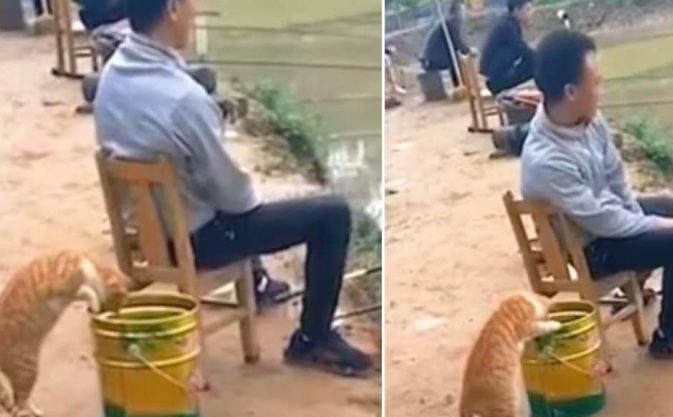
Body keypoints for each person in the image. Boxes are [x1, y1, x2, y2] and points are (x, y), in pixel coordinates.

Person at [93, 0, 373, 377]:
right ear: (173, 8)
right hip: (195, 242)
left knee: (215, 192)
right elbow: (236, 200)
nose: (196, 12)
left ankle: (259, 284)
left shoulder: (111, 75)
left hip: (146, 237)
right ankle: (312, 340)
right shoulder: (184, 100)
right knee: (331, 214)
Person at [521, 29, 673, 362]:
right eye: (596, 83)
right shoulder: (547, 160)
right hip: (589, 248)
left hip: (598, 221)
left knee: (670, 208)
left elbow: (616, 178)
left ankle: (640, 285)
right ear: (571, 92)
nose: (601, 90)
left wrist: (646, 217)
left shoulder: (586, 118)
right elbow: (604, 222)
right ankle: (670, 335)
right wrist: (653, 225)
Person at [479, 0, 534, 96]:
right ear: (516, 11)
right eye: (527, 9)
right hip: (497, 81)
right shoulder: (508, 26)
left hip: (495, 76)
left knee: (533, 61)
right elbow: (521, 49)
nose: (531, 13)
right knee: (536, 64)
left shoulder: (507, 22)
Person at [420, 0, 471, 88]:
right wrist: (469, 51)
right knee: (457, 60)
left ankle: (461, 85)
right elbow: (457, 43)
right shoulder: (451, 22)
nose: (464, 13)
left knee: (456, 58)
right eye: (463, 10)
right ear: (458, 11)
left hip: (433, 59)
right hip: (433, 61)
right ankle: (461, 86)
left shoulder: (449, 22)